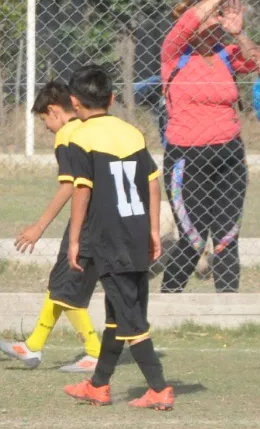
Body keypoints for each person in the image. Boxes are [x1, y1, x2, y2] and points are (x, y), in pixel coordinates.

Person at [62, 65, 175, 411]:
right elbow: (153, 184)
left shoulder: (79, 137)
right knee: (117, 313)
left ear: (73, 104)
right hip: (136, 231)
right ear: (111, 99)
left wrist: (74, 239)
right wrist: (154, 230)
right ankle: (99, 385)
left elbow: (82, 190)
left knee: (130, 317)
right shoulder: (131, 133)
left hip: (107, 237)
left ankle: (157, 387)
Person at [159, 0, 260, 293]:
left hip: (229, 157)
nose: (217, 25)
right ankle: (169, 301)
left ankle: (227, 309)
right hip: (186, 160)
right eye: (212, 20)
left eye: (220, 21)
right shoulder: (174, 54)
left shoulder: (225, 54)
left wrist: (239, 33)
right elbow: (189, 20)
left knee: (226, 238)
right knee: (193, 239)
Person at [0, 81, 102, 374]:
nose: (47, 128)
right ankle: (33, 346)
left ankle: (95, 352)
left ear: (54, 111)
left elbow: (69, 186)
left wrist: (38, 227)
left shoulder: (67, 135)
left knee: (68, 287)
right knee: (60, 283)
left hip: (89, 218)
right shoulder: (90, 128)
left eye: (45, 120)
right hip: (104, 216)